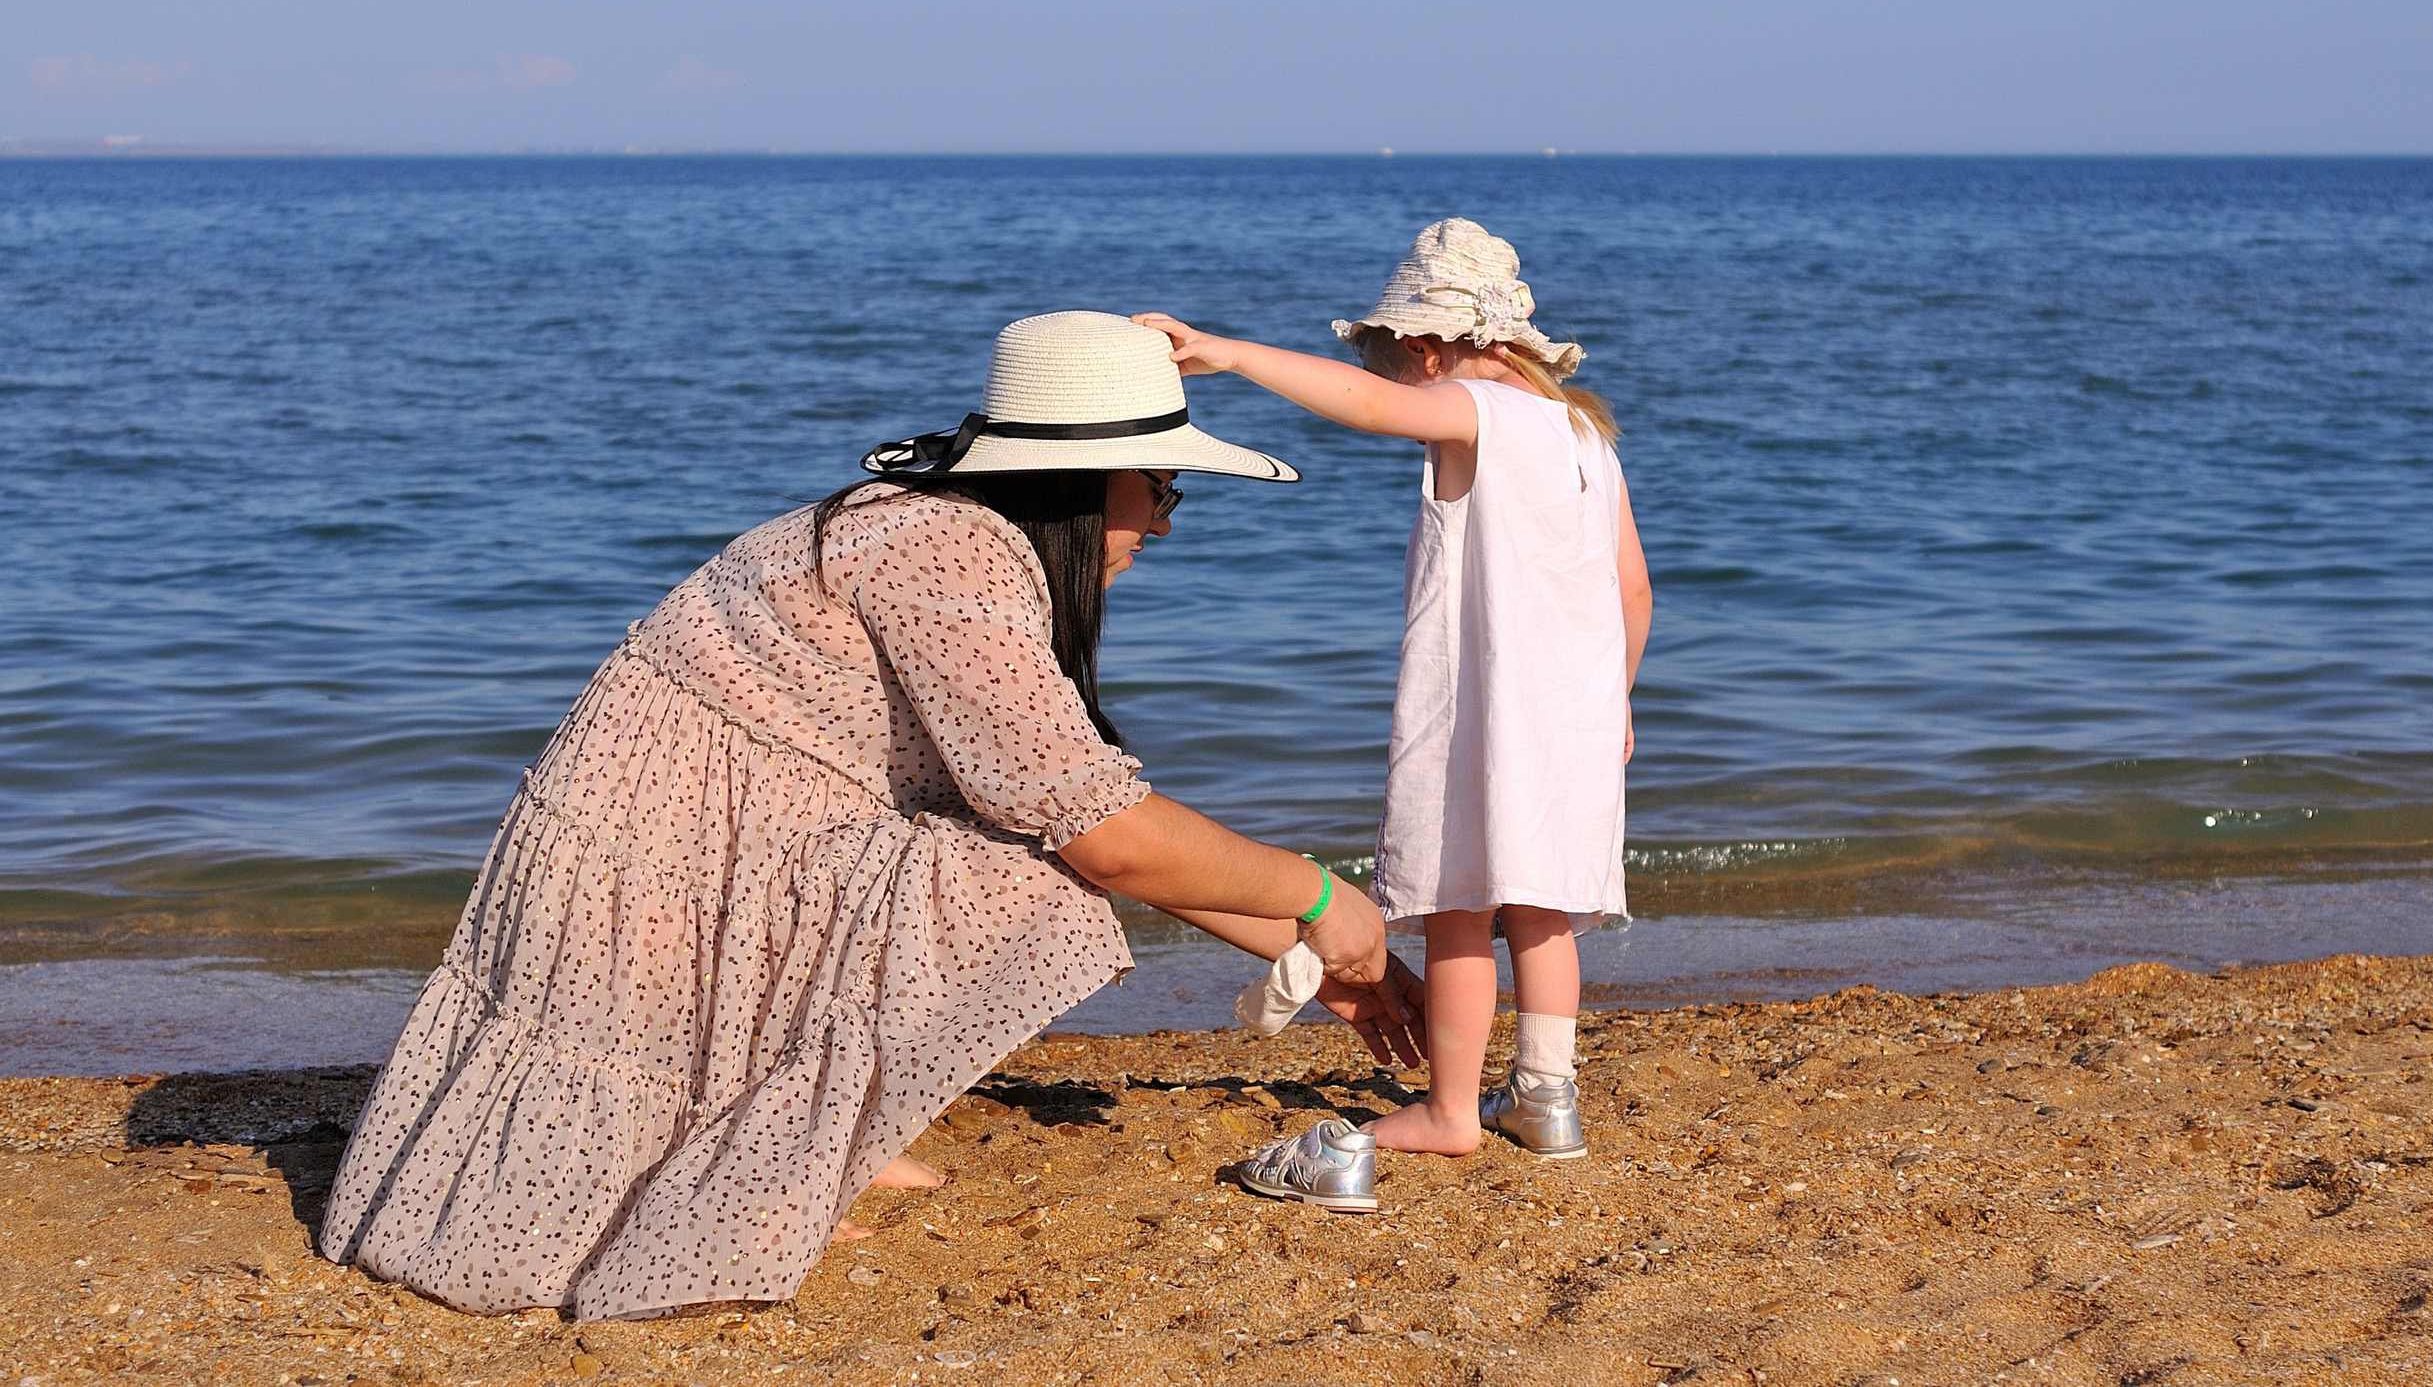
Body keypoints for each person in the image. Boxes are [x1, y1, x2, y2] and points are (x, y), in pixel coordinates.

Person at [319, 310, 1421, 1318]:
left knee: (1011, 844)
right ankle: (770, 1160)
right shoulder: (944, 552)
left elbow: (1080, 805)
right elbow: (1102, 838)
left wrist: (1328, 958)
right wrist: (1327, 902)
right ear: (1085, 482)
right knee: (1018, 887)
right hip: (667, 873)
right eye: (1162, 489)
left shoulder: (950, 530)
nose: (1169, 525)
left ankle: (819, 1131)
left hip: (722, 848)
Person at [1136, 217, 1651, 1206]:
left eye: (1399, 359)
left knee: (1458, 903)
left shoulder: (1474, 409)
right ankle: (1546, 1095)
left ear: (1426, 347)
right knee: (1542, 911)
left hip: (1488, 707)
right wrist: (1615, 699)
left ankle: (1452, 1110)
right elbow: (1634, 590)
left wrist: (1227, 353)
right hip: (1579, 710)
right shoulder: (1586, 434)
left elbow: (1368, 407)